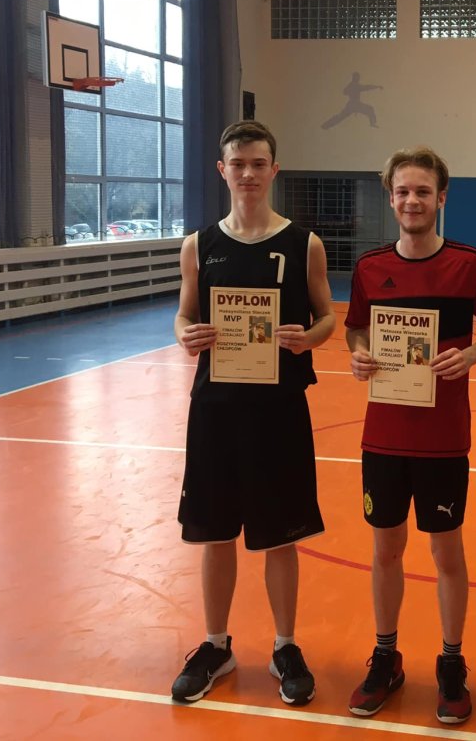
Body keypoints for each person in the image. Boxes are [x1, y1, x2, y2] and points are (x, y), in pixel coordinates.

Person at [170, 120, 336, 706]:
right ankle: (216, 644)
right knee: (215, 533)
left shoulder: (304, 244)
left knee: (280, 536)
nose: (247, 173)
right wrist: (185, 335)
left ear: (273, 170)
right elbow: (184, 314)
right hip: (215, 411)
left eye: (258, 163)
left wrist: (307, 339)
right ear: (223, 170)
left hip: (279, 410)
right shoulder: (198, 245)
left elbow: (327, 316)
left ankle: (285, 645)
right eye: (237, 164)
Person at [345, 147, 476, 725]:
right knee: (385, 550)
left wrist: (472, 356)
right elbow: (356, 329)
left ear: (441, 197)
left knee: (446, 552)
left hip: (443, 439)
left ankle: (451, 661)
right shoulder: (369, 267)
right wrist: (360, 355)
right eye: (403, 191)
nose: (412, 201)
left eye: (422, 191)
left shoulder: (469, 264)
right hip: (383, 437)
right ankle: (386, 657)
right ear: (391, 198)